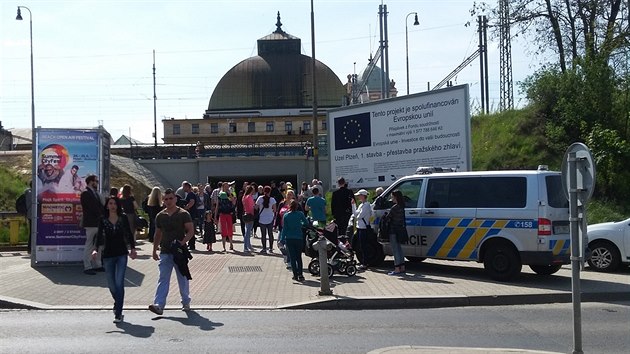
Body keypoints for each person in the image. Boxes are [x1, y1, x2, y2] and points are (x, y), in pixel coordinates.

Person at [149, 188, 195, 315]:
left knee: (182, 277)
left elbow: (191, 230)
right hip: (165, 251)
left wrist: (183, 241)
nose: (168, 201)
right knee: (163, 278)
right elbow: (157, 234)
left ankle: (186, 301)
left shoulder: (183, 213)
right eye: (165, 199)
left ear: (175, 199)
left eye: (170, 198)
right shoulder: (160, 216)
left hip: (179, 251)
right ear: (163, 200)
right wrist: (154, 250)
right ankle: (159, 304)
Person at [92, 196, 137, 323]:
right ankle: (117, 302)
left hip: (121, 254)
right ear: (107, 205)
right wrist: (95, 249)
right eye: (110, 203)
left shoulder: (122, 218)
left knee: (119, 283)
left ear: (118, 206)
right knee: (111, 285)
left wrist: (132, 248)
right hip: (107, 255)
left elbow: (128, 233)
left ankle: (118, 312)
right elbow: (99, 235)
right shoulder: (103, 219)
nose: (112, 206)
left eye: (115, 204)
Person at [80, 174, 104, 275]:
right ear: (90, 182)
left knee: (99, 244)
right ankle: (87, 266)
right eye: (96, 181)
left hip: (98, 222)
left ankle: (97, 264)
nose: (97, 183)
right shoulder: (85, 193)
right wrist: (101, 215)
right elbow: (91, 208)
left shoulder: (95, 193)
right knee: (90, 244)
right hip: (91, 223)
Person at [279, 200, 308, 282]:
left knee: (292, 257)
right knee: (299, 257)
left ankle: (295, 275)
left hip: (289, 238)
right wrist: (300, 224)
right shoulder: (300, 214)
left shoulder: (286, 216)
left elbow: (284, 229)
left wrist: (282, 239)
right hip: (298, 237)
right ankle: (301, 274)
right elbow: (305, 223)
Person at [352, 189, 372, 270]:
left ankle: (365, 263)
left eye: (359, 195)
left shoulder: (367, 205)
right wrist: (353, 205)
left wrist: (357, 214)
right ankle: (363, 261)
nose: (358, 197)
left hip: (364, 228)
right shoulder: (361, 205)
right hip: (359, 227)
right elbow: (355, 214)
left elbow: (359, 216)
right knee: (360, 245)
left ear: (363, 196)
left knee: (364, 246)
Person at [387, 190, 407, 275]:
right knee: (399, 249)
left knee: (395, 249)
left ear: (395, 197)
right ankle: (402, 267)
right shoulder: (402, 207)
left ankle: (397, 268)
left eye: (392, 197)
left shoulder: (394, 208)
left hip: (393, 230)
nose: (391, 199)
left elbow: (388, 218)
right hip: (400, 230)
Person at [255, 185, 277, 254]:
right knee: (270, 234)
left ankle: (264, 248)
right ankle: (271, 248)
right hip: (270, 218)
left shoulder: (260, 198)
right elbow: (275, 209)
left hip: (262, 219)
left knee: (263, 235)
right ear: (270, 192)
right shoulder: (272, 199)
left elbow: (256, 207)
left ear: (264, 191)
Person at [241, 185, 256, 253]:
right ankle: (245, 247)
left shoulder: (244, 197)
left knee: (247, 230)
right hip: (250, 215)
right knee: (248, 232)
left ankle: (248, 245)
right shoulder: (249, 197)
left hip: (246, 214)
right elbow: (252, 207)